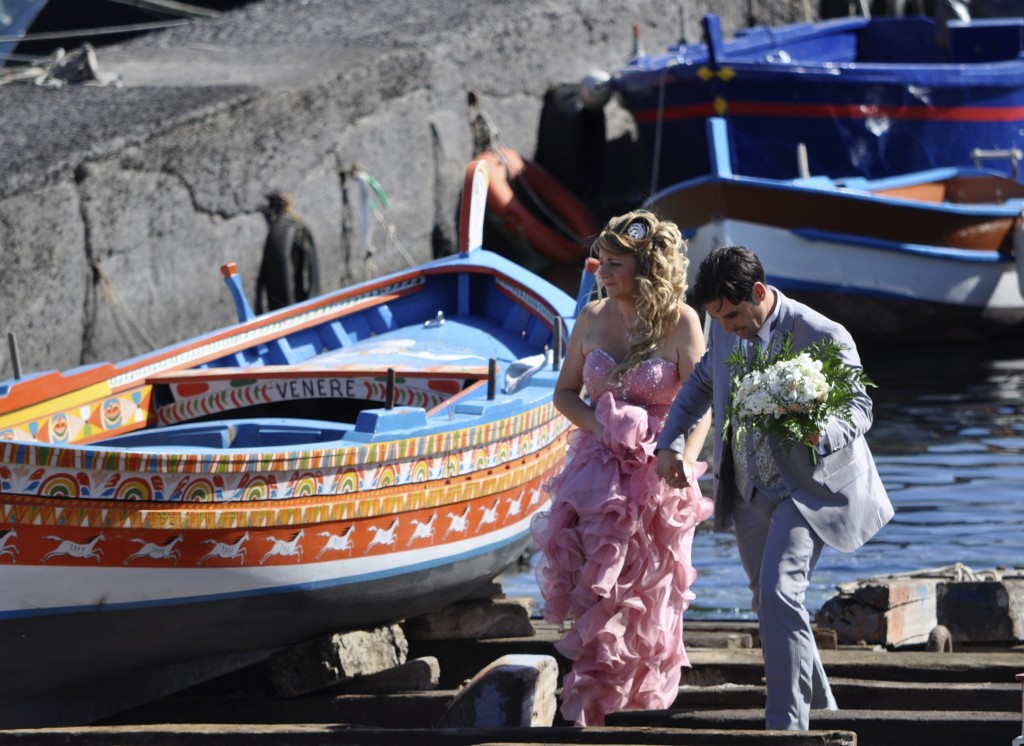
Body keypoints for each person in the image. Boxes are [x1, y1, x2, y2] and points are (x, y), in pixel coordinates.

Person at [655, 246, 894, 731]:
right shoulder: (723, 334)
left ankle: (785, 728)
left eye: (732, 315)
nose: (725, 327)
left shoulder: (821, 333)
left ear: (759, 294)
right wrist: (670, 444)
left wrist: (819, 431)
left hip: (806, 488)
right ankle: (824, 710)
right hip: (747, 489)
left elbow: (859, 408)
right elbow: (699, 387)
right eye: (716, 317)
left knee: (781, 593)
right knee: (767, 601)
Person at [531, 209, 714, 727]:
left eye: (614, 264)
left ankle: (644, 711)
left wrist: (679, 453)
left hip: (658, 475)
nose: (601, 272)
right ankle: (591, 705)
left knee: (649, 591)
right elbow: (564, 394)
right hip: (596, 473)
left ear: (645, 266)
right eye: (600, 262)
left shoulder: (682, 321)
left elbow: (703, 404)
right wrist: (602, 427)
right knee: (596, 586)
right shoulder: (590, 318)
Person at [256, 192, 321, 313]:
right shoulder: (293, 224)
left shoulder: (285, 227)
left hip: (282, 305)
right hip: (289, 300)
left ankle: (292, 305)